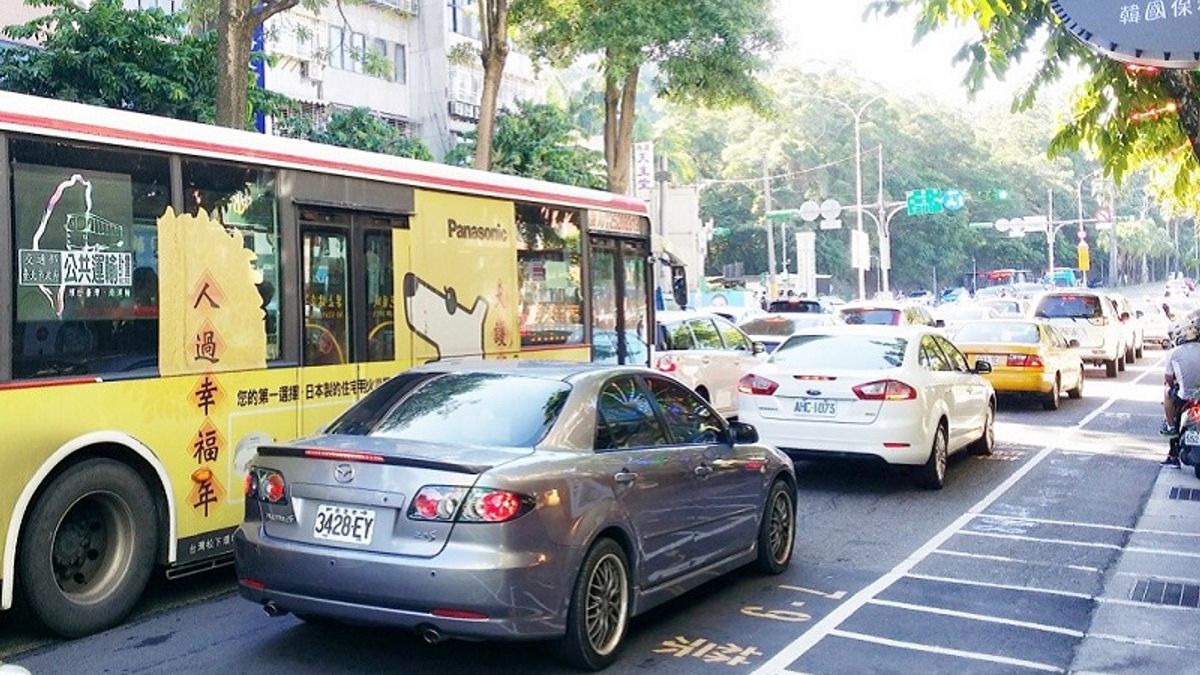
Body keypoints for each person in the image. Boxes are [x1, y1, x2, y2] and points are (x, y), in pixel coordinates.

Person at [1160, 318, 1200, 466]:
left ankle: (1171, 426)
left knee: (1167, 392)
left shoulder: (1173, 353)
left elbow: (1169, 379)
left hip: (1185, 397)